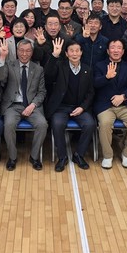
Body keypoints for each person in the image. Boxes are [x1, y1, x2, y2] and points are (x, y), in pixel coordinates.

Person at [0, 39, 48, 170]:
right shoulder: (9, 65)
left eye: (28, 51)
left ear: (32, 52)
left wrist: (32, 105)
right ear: (17, 51)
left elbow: (42, 92)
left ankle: (34, 157)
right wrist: (2, 57)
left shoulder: (38, 69)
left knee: (42, 124)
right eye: (22, 51)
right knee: (8, 125)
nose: (24, 54)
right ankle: (12, 157)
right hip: (13, 105)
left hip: (31, 106)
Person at [45, 39, 95, 171]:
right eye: (71, 51)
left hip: (79, 107)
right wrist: (54, 55)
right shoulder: (59, 66)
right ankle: (62, 157)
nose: (74, 53)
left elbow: (91, 92)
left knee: (90, 124)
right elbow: (48, 76)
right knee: (57, 124)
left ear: (81, 53)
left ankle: (79, 155)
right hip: (61, 107)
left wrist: (82, 107)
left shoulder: (87, 69)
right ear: (66, 54)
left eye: (77, 51)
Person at [94, 40, 127, 169]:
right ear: (108, 51)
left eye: (119, 48)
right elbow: (95, 84)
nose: (116, 50)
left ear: (123, 51)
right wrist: (106, 77)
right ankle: (107, 156)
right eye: (113, 47)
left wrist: (124, 96)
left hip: (125, 105)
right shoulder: (99, 66)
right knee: (105, 124)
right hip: (105, 106)